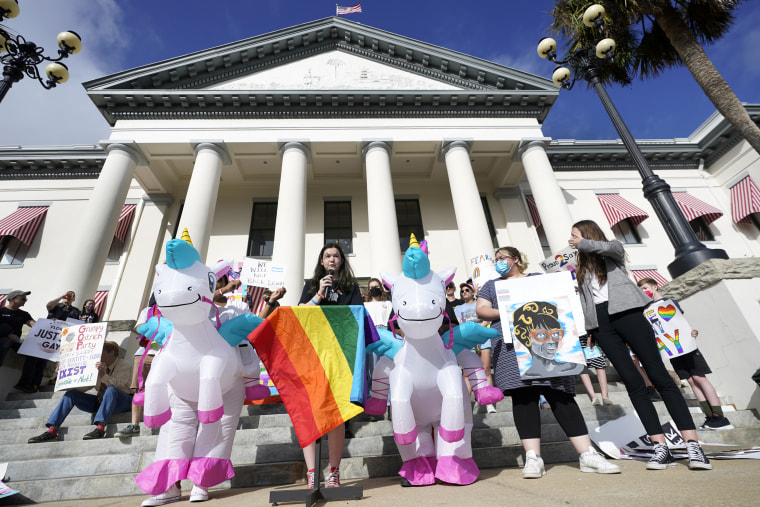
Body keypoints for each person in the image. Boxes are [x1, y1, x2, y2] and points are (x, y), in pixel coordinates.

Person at [569, 220, 712, 470]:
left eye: (575, 236)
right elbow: (584, 299)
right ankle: (660, 447)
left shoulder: (610, 250)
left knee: (659, 376)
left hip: (628, 313)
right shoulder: (579, 265)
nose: (571, 240)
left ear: (588, 235)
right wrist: (590, 327)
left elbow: (611, 249)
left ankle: (692, 445)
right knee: (633, 382)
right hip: (601, 324)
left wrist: (584, 244)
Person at [476, 246, 619, 478]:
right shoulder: (492, 285)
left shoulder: (539, 280)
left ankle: (587, 454)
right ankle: (533, 458)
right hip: (513, 349)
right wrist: (512, 310)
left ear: (515, 259)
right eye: (496, 259)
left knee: (561, 396)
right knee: (524, 399)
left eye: (502, 258)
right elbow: (481, 310)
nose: (498, 262)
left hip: (554, 347)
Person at [299, 242, 363, 488]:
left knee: (335, 415)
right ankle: (312, 472)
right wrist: (318, 294)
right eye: (327, 256)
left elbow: (358, 315)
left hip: (340, 357)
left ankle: (334, 471)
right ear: (322, 261)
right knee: (310, 412)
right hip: (314, 354)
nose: (332, 259)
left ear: (341, 261)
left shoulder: (351, 287)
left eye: (336, 256)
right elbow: (300, 313)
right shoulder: (312, 285)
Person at [637, 277, 732, 430]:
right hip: (673, 349)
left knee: (699, 378)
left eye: (646, 287)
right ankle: (709, 416)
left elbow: (679, 322)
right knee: (691, 380)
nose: (645, 291)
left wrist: (691, 331)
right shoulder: (646, 310)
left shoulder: (668, 302)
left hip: (686, 346)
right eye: (641, 290)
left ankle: (719, 416)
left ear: (655, 286)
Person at [28, 340, 132, 442]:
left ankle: (100, 428)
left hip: (123, 401)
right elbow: (85, 386)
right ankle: (52, 429)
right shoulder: (97, 365)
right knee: (71, 394)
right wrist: (65, 376)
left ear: (112, 353)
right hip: (101, 402)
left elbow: (121, 386)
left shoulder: (124, 365)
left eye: (101, 353)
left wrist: (103, 375)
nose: (98, 356)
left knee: (111, 390)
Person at [15, 290, 81, 393]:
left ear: (74, 299)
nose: (68, 298)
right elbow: (49, 306)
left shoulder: (76, 311)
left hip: (60, 338)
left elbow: (76, 324)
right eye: (66, 296)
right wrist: (61, 296)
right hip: (47, 336)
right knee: (36, 358)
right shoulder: (57, 306)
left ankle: (35, 385)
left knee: (44, 362)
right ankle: (27, 383)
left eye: (71, 296)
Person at [115, 296, 159, 439]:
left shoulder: (176, 308)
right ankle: (134, 425)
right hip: (144, 352)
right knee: (140, 389)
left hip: (166, 351)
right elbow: (138, 327)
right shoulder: (147, 311)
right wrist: (154, 327)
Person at [455, 281, 497, 414]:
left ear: (473, 292)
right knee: (466, 373)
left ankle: (489, 403)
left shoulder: (479, 304)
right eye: (462, 291)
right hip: (468, 342)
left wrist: (477, 330)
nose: (464, 293)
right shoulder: (458, 308)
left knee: (485, 370)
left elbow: (486, 320)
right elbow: (460, 324)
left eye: (467, 290)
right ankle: (466, 404)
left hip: (483, 340)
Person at [0, 290, 36, 368]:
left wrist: (48, 324)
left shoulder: (24, 314)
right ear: (13, 299)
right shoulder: (1, 311)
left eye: (26, 299)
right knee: (5, 342)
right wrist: (8, 334)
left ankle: (26, 379)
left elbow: (32, 323)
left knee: (33, 351)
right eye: (23, 299)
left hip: (17, 340)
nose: (25, 301)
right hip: (3, 337)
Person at [578, 334, 612, 406]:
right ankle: (594, 397)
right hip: (575, 337)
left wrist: (591, 336)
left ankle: (605, 396)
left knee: (599, 364)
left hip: (589, 335)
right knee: (582, 366)